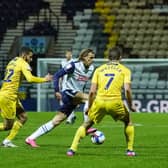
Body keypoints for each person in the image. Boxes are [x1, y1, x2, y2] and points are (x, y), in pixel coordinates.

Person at [66, 46, 136, 157]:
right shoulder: (125, 70)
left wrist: (89, 107)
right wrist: (131, 105)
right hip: (115, 102)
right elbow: (127, 89)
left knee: (86, 124)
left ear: (108, 58)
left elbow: (92, 91)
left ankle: (72, 149)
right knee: (128, 122)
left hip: (99, 101)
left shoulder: (98, 69)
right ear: (120, 58)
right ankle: (130, 150)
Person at [25, 48, 97, 147]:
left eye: (93, 58)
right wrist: (56, 90)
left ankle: (31, 138)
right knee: (91, 98)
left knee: (56, 121)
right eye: (90, 57)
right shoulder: (73, 65)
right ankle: (86, 127)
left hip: (76, 95)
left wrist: (79, 99)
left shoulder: (91, 68)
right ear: (84, 57)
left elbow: (82, 84)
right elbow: (57, 76)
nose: (92, 60)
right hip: (68, 92)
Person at [0, 46, 53, 147]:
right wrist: (44, 79)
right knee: (8, 126)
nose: (31, 59)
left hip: (9, 94)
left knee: (23, 117)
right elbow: (30, 79)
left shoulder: (12, 61)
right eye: (30, 57)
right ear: (24, 55)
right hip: (8, 97)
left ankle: (7, 141)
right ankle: (7, 141)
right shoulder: (23, 63)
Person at [60, 49, 76, 124]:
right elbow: (61, 73)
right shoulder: (63, 62)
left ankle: (70, 117)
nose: (68, 55)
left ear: (71, 54)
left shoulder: (74, 62)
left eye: (70, 54)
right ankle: (71, 115)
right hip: (64, 84)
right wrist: (60, 83)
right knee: (65, 101)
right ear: (65, 54)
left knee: (68, 101)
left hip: (71, 84)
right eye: (67, 54)